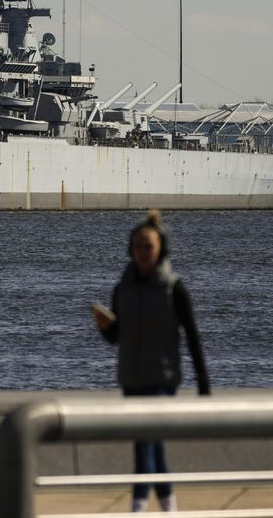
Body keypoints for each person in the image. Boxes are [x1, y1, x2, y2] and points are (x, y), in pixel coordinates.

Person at [92, 210, 209, 513]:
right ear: (131, 249)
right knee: (152, 446)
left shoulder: (174, 288)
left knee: (144, 443)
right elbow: (117, 337)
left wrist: (204, 385)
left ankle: (137, 508)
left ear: (161, 249)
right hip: (131, 378)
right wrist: (104, 326)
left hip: (161, 378)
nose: (143, 252)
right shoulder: (122, 289)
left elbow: (194, 338)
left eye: (149, 246)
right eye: (138, 246)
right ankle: (169, 508)